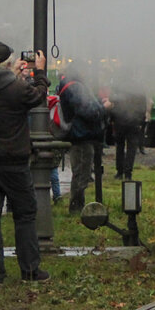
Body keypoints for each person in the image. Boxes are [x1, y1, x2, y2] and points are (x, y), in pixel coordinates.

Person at [0, 43, 49, 287]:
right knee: (25, 215)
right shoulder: (16, 88)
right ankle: (29, 270)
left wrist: (12, 73)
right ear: (9, 62)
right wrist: (40, 72)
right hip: (14, 160)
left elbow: (1, 88)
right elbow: (37, 96)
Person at [57, 73, 111, 214]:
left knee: (81, 172)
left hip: (79, 135)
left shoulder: (71, 86)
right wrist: (104, 107)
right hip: (81, 135)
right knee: (81, 173)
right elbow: (88, 111)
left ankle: (77, 205)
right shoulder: (76, 88)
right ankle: (76, 208)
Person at [110, 81, 148, 180]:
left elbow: (113, 102)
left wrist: (112, 119)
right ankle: (128, 173)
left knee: (120, 147)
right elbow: (143, 107)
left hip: (120, 121)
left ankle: (119, 172)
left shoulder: (118, 86)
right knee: (132, 148)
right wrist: (141, 121)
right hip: (134, 121)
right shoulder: (139, 87)